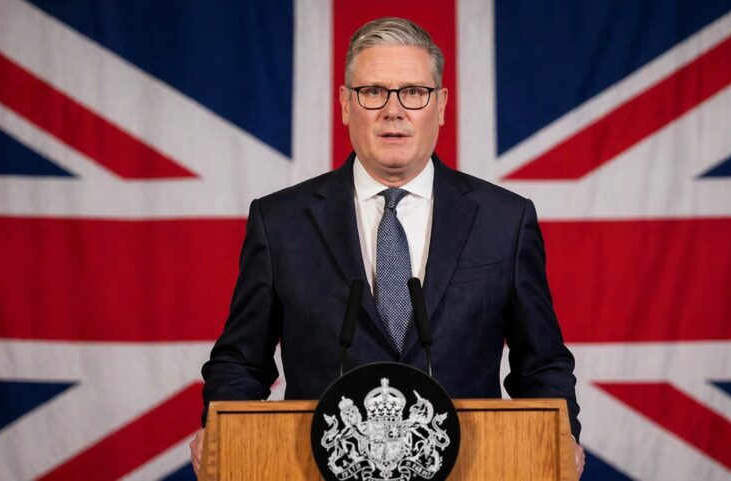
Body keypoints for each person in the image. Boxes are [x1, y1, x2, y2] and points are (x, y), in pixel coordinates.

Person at [191, 17, 585, 477]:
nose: (393, 111)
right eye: (373, 92)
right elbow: (241, 362)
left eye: (414, 92)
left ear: (440, 105)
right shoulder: (280, 222)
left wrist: (560, 436)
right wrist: (222, 432)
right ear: (345, 104)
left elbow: (541, 364)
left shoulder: (505, 221)